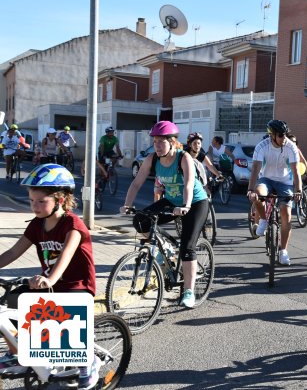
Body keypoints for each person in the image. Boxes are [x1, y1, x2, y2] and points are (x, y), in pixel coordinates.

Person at [0, 164, 99, 387]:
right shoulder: (37, 225)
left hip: (77, 284)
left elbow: (66, 253)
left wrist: (51, 279)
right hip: (50, 281)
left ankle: (88, 360)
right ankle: (16, 351)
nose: (35, 206)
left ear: (60, 200)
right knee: (13, 301)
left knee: (64, 312)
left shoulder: (73, 224)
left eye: (41, 201)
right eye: (32, 201)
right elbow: (14, 251)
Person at [121, 121, 209, 308]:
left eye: (161, 142)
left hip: (194, 202)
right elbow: (137, 182)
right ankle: (164, 250)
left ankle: (188, 291)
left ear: (172, 142)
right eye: (155, 142)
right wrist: (127, 204)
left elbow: (188, 184)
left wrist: (185, 206)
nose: (157, 146)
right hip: (171, 200)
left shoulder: (183, 157)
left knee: (187, 247)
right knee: (141, 220)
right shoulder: (152, 159)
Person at [247, 119, 302, 266]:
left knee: (286, 214)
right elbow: (256, 169)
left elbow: (296, 172)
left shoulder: (291, 147)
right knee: (258, 194)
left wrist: (298, 190)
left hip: (285, 182)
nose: (283, 138)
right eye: (280, 135)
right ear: (272, 135)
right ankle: (264, 219)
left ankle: (283, 251)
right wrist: (251, 189)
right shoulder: (262, 146)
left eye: (285, 135)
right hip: (266, 179)